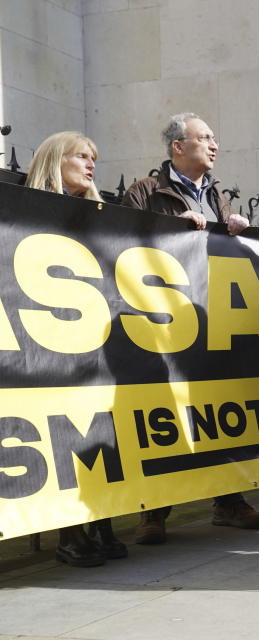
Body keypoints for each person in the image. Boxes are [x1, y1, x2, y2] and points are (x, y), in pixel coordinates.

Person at [123, 113, 259, 543]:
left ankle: (229, 501)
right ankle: (153, 511)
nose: (214, 144)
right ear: (177, 147)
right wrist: (171, 228)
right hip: (162, 324)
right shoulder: (145, 192)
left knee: (219, 407)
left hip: (212, 322)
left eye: (213, 137)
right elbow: (123, 246)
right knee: (162, 411)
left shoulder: (217, 195)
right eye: (205, 137)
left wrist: (234, 230)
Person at [25, 131, 128, 567]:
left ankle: (101, 522)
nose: (90, 165)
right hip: (47, 344)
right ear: (55, 159)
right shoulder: (26, 212)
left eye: (93, 158)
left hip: (96, 347)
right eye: (81, 157)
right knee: (65, 434)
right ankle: (70, 533)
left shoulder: (99, 213)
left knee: (102, 432)